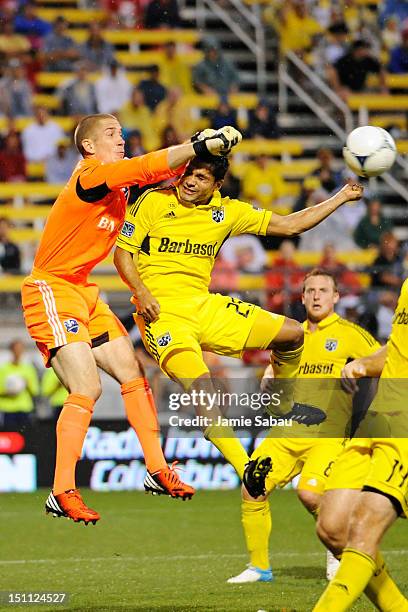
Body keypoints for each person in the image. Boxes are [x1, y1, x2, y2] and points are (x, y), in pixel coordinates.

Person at [21, 113, 242, 525]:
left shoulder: (118, 187)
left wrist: (207, 144)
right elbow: (147, 166)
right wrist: (198, 146)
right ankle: (61, 490)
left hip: (83, 291)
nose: (120, 139)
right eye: (111, 134)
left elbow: (167, 173)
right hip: (50, 288)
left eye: (121, 134)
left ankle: (157, 469)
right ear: (89, 146)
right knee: (87, 387)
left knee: (132, 371)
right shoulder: (90, 176)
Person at [114, 152, 363, 500]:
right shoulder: (154, 201)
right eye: (188, 173)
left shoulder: (228, 212)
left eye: (201, 178)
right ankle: (246, 467)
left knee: (292, 333)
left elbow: (292, 225)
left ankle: (282, 403)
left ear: (216, 185)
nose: (189, 181)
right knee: (205, 392)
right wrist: (140, 291)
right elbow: (122, 253)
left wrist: (340, 197)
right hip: (162, 315)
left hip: (205, 306)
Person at [227, 269, 380, 584]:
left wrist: (360, 367)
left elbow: (386, 361)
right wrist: (269, 377)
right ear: (302, 296)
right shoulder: (290, 334)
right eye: (310, 290)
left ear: (336, 297)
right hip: (286, 432)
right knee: (251, 486)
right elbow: (277, 371)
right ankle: (259, 568)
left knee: (310, 494)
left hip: (328, 436)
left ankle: (340, 549)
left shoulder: (351, 333)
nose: (316, 296)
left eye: (324, 290)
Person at [313, 281, 408, 611]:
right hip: (377, 417)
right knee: (333, 527)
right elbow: (398, 348)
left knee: (366, 527)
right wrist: (365, 364)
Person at [0, 340, 40, 429]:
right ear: (11, 350)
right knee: (10, 435)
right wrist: (8, 392)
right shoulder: (3, 369)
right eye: (16, 349)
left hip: (24, 407)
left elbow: (35, 391)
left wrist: (26, 383)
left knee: (26, 435)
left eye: (20, 349)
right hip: (8, 409)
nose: (18, 352)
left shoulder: (28, 369)